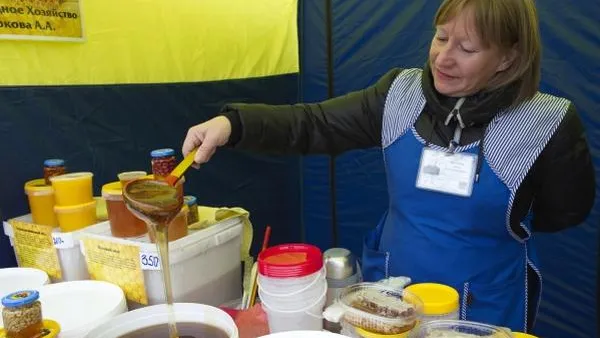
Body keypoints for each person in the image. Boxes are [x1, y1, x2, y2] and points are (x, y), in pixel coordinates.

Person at [182, 0, 595, 333]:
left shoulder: (548, 123)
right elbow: (315, 123)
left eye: (467, 49)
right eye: (441, 37)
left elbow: (564, 211)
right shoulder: (400, 94)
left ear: (508, 58)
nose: (444, 58)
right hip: (391, 296)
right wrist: (232, 124)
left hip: (483, 306)